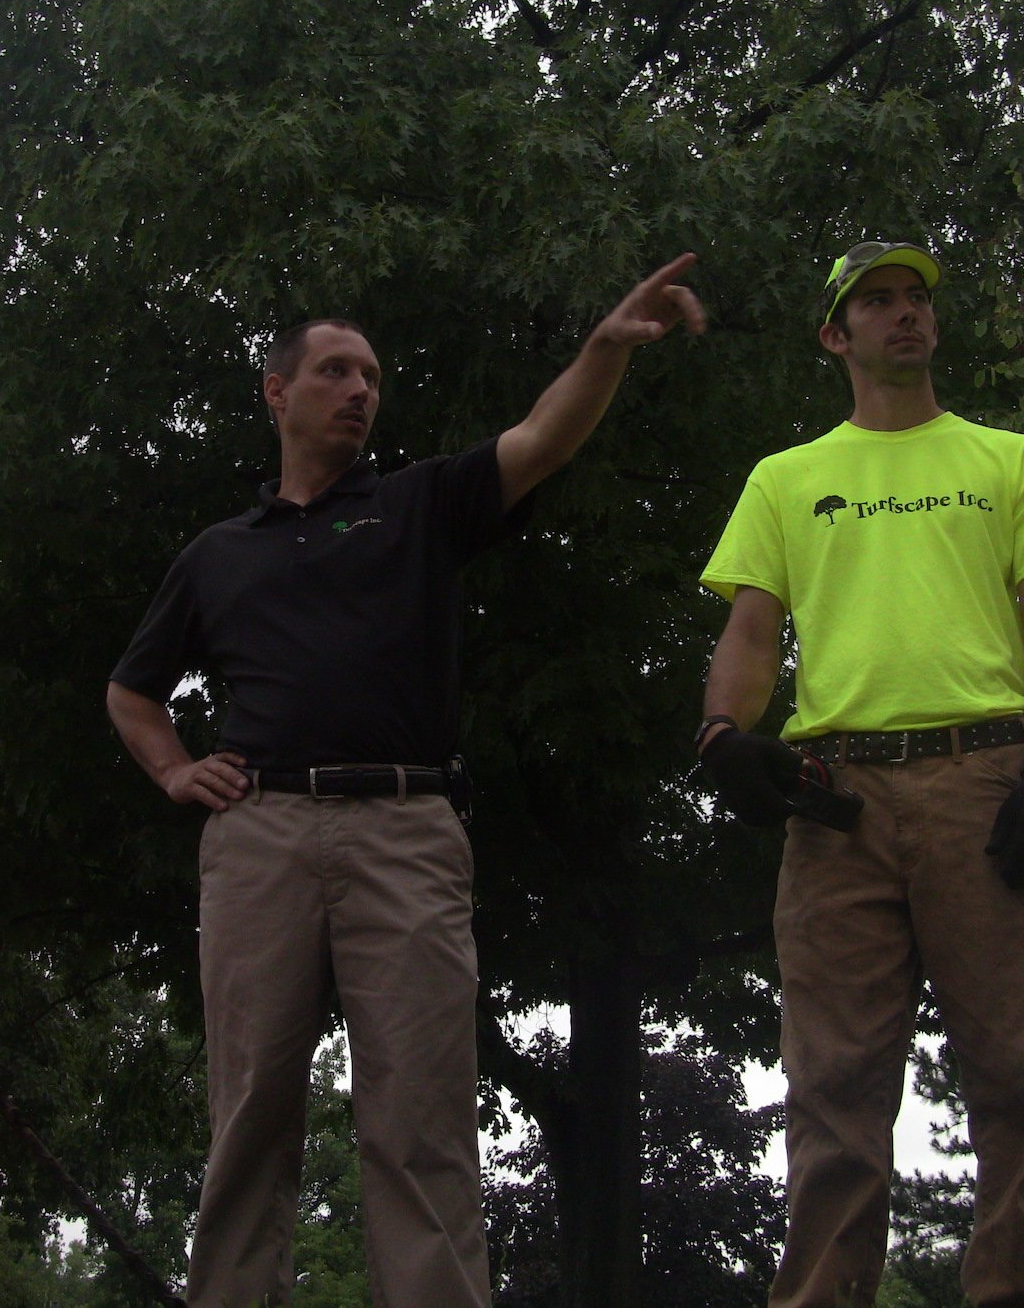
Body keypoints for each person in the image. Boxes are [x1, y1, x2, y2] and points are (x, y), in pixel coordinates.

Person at [107, 256, 705, 1306]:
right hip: (258, 834)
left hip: (408, 826)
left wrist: (605, 346)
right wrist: (172, 769)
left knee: (421, 1120)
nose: (360, 390)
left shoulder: (421, 501)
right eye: (336, 371)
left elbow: (541, 439)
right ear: (277, 392)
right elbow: (130, 689)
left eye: (372, 376)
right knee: (250, 1110)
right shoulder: (218, 552)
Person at [694, 241, 1024, 1308]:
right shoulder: (787, 479)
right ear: (837, 334)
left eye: (916, 297)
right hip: (836, 802)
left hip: (984, 779)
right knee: (833, 1089)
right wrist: (724, 735)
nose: (904, 314)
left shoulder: (1010, 459)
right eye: (876, 301)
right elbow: (749, 627)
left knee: (1019, 1076)